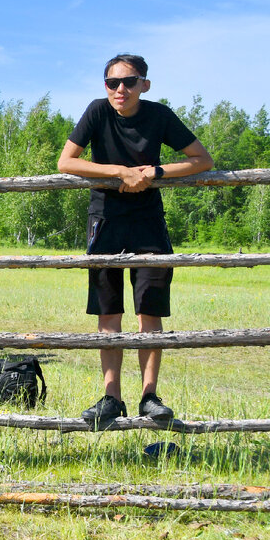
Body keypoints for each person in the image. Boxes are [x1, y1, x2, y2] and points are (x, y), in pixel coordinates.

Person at [57, 54, 212, 430]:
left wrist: (155, 171)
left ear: (145, 84)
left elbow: (201, 159)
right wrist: (119, 171)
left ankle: (149, 396)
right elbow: (67, 161)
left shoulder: (159, 115)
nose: (120, 90)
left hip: (148, 222)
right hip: (105, 219)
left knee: (149, 308)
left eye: (129, 82)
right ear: (105, 86)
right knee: (108, 310)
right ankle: (111, 397)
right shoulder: (97, 112)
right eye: (112, 83)